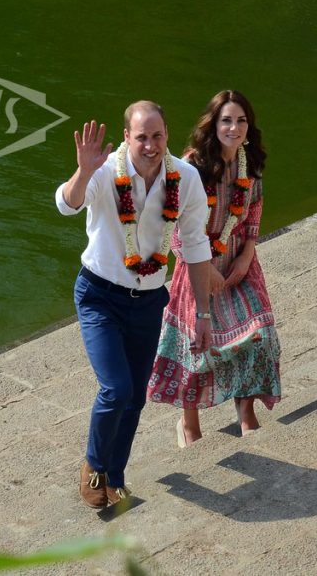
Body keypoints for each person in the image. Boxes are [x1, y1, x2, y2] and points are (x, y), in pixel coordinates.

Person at [55, 101, 213, 508]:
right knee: (116, 387)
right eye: (141, 137)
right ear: (127, 137)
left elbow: (196, 246)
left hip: (147, 301)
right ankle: (94, 467)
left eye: (157, 136)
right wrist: (83, 171)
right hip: (99, 296)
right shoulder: (105, 170)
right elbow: (67, 204)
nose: (150, 145)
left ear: (167, 135)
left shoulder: (186, 179)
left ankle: (116, 476)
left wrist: (203, 314)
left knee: (136, 396)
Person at [147, 90, 282, 446]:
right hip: (196, 263)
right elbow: (171, 225)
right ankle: (188, 423)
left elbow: (254, 210)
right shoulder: (190, 166)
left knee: (258, 335)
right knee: (197, 346)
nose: (234, 128)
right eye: (226, 120)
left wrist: (247, 253)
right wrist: (204, 268)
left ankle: (246, 413)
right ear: (213, 125)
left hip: (238, 259)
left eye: (241, 121)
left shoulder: (250, 162)